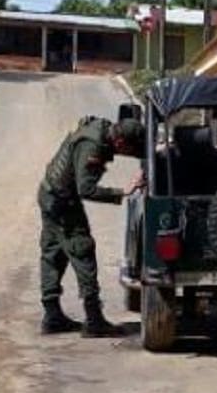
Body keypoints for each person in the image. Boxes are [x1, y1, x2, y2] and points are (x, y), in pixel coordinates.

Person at [38, 114, 146, 337]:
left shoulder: (103, 130)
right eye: (130, 149)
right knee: (82, 249)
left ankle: (52, 316)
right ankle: (94, 319)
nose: (128, 154)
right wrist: (122, 192)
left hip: (50, 194)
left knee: (54, 253)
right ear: (120, 143)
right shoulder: (93, 146)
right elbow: (85, 189)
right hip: (62, 202)